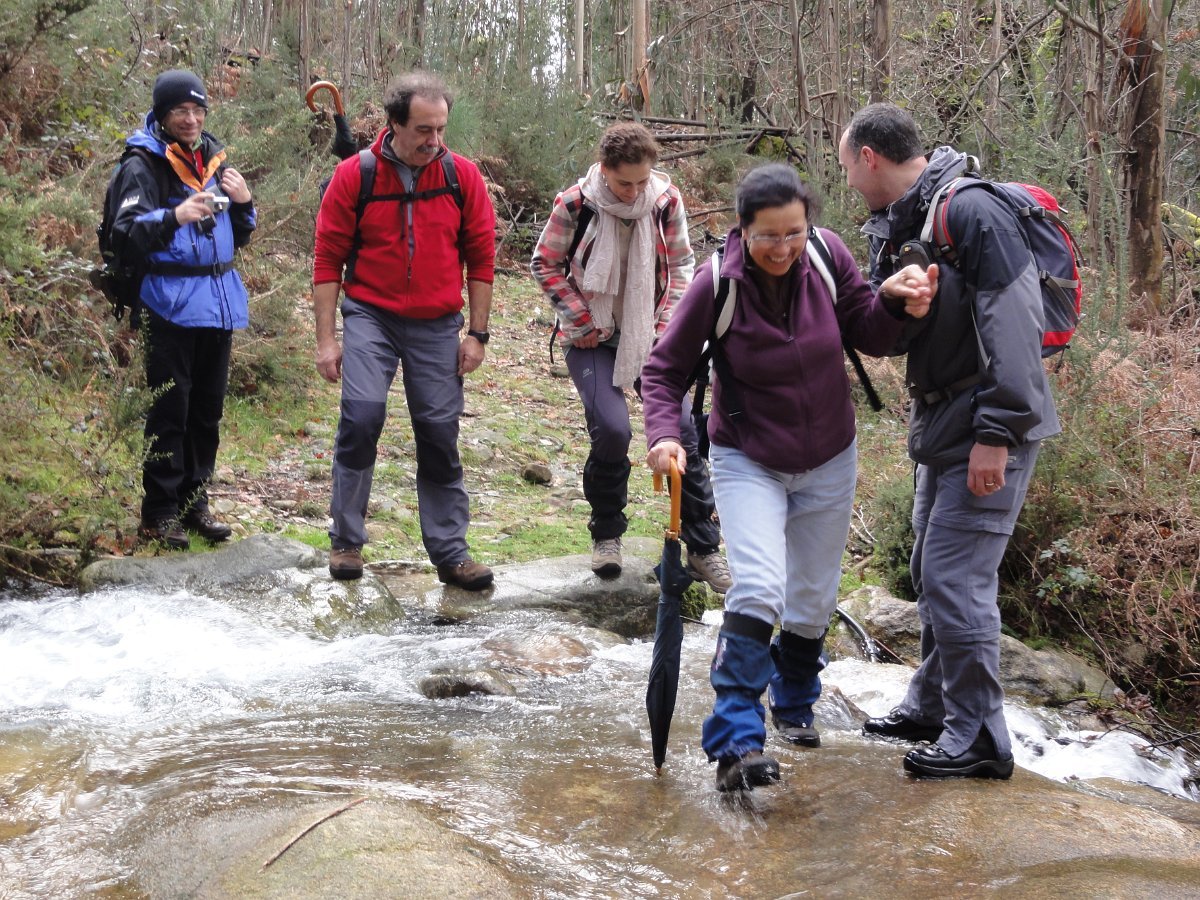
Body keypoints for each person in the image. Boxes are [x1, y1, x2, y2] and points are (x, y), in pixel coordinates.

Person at [642, 164, 934, 792]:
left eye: (794, 233)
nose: (783, 249)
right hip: (748, 456)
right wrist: (664, 434)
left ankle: (795, 693)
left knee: (814, 597)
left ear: (810, 226)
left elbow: (868, 329)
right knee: (759, 587)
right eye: (768, 236)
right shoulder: (715, 284)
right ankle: (736, 741)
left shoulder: (827, 257)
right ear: (742, 228)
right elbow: (662, 372)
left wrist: (894, 300)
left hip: (830, 454)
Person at [839, 103, 1061, 779]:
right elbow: (894, 336)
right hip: (942, 420)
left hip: (988, 423)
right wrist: (893, 300)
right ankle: (934, 705)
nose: (847, 180)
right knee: (930, 569)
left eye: (847, 166)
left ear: (869, 157)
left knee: (955, 576)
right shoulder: (907, 221)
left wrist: (998, 434)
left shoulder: (972, 211)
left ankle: (981, 737)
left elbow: (1015, 327)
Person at [313, 71, 496, 589]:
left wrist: (478, 334)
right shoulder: (356, 175)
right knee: (361, 417)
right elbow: (327, 260)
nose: (434, 140)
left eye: (441, 129)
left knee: (439, 433)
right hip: (370, 315)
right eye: (423, 130)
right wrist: (327, 341)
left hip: (438, 323)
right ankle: (346, 542)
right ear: (394, 123)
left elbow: (482, 258)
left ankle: (452, 553)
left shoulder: (462, 177)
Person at [530, 122, 731, 591]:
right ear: (604, 170)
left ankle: (703, 547)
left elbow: (682, 266)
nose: (635, 191)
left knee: (682, 432)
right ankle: (607, 536)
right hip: (591, 337)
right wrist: (580, 318)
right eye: (625, 183)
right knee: (613, 428)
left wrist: (666, 330)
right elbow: (545, 263)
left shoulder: (665, 202)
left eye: (642, 181)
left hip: (652, 335)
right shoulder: (575, 203)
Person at [111, 69, 256, 550]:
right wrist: (174, 215)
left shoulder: (212, 158)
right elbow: (125, 232)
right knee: (170, 410)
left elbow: (238, 234)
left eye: (198, 110)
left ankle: (195, 503)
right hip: (168, 303)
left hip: (218, 303)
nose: (191, 119)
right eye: (180, 111)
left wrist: (244, 203)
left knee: (207, 412)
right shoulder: (142, 164)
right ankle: (160, 511)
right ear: (162, 114)